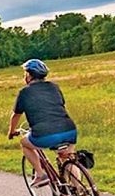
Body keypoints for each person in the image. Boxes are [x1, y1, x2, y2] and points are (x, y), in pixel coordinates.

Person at [7, 59, 78, 188]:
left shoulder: (25, 92)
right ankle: (80, 191)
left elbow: (16, 115)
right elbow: (60, 105)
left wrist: (11, 131)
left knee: (25, 143)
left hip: (44, 135)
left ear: (29, 75)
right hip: (69, 130)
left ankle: (40, 175)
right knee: (67, 158)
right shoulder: (54, 87)